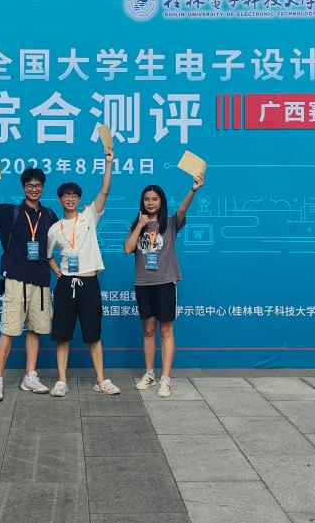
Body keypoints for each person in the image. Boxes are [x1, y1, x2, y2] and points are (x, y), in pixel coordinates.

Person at [0, 163, 57, 402]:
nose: (34, 189)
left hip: (40, 280)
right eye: (29, 185)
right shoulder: (12, 212)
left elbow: (61, 240)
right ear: (23, 188)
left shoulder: (50, 215)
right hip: (15, 279)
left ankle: (30, 376)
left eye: (38, 185)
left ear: (42, 188)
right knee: (9, 330)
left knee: (35, 330)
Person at [46, 145, 121, 397]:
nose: (70, 199)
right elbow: (47, 255)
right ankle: (61, 381)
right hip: (66, 285)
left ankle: (100, 379)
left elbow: (105, 190)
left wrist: (108, 162)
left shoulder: (90, 216)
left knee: (93, 335)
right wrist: (58, 272)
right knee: (62, 335)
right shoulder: (54, 228)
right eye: (65, 196)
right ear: (59, 200)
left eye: (74, 195)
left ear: (79, 199)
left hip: (89, 284)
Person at [123, 172, 205, 398]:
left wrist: (193, 189)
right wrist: (140, 225)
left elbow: (183, 209)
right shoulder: (137, 224)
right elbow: (128, 249)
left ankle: (165, 379)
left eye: (155, 199)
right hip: (143, 283)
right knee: (148, 330)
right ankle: (149, 373)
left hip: (165, 282)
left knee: (166, 330)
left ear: (161, 201)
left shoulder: (169, 223)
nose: (150, 203)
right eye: (147, 199)